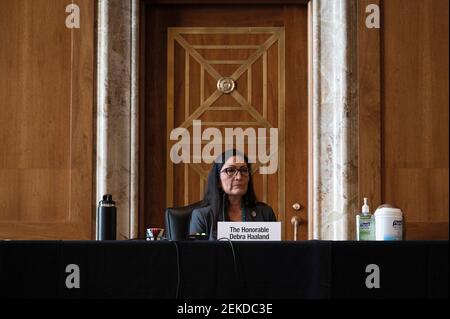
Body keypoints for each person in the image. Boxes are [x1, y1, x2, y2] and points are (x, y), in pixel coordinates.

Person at [189, 149, 277, 240]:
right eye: (230, 170)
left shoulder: (265, 214)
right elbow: (197, 247)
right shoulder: (201, 216)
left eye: (244, 170)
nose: (239, 177)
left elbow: (276, 252)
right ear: (218, 180)